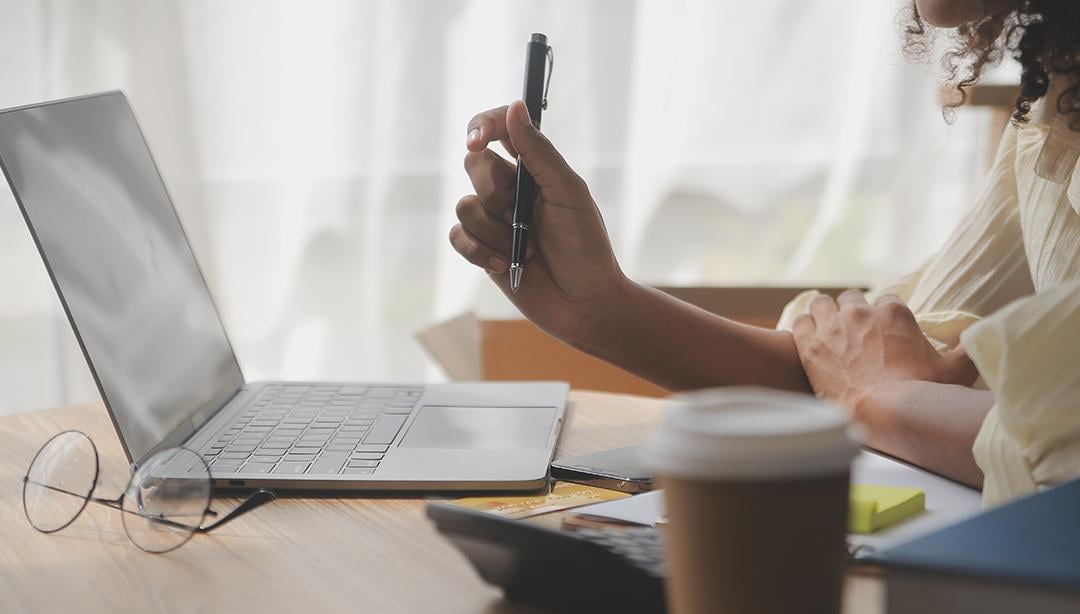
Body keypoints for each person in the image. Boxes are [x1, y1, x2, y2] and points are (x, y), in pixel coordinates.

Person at [450, 0, 1080, 506]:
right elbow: (852, 373)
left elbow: (1049, 451)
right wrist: (598, 306)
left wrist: (883, 399)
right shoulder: (1057, 97)